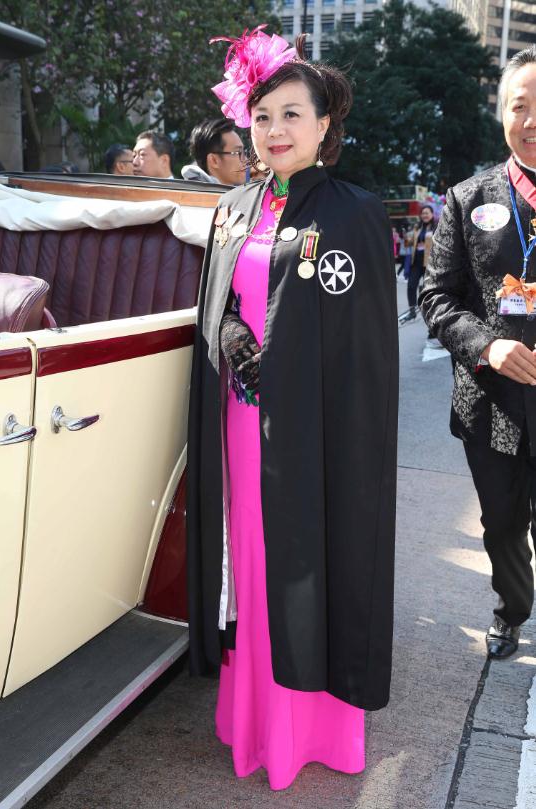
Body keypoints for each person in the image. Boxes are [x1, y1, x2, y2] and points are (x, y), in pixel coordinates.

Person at [187, 27, 398, 791]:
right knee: (251, 564)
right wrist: (231, 331)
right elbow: (216, 304)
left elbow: (367, 351)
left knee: (310, 565)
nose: (274, 130)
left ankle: (311, 731)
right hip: (244, 426)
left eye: (291, 115)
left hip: (318, 438)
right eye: (262, 116)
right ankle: (252, 721)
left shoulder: (354, 213)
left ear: (324, 124)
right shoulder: (233, 207)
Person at [420, 45, 536, 660]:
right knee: (501, 525)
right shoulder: (468, 198)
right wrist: (486, 345)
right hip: (491, 403)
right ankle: (512, 610)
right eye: (521, 106)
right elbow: (435, 296)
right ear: (502, 114)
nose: (532, 120)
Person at [181, 118, 247, 185]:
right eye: (238, 152)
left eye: (244, 152)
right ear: (214, 160)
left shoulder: (242, 189)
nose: (246, 160)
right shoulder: (190, 191)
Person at [405, 205, 435, 319]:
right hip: (416, 262)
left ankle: (430, 312)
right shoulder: (417, 228)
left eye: (427, 213)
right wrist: (406, 235)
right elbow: (409, 243)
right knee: (411, 286)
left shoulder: (436, 228)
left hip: (429, 263)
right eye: (423, 213)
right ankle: (412, 311)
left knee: (428, 289)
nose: (424, 215)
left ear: (432, 214)